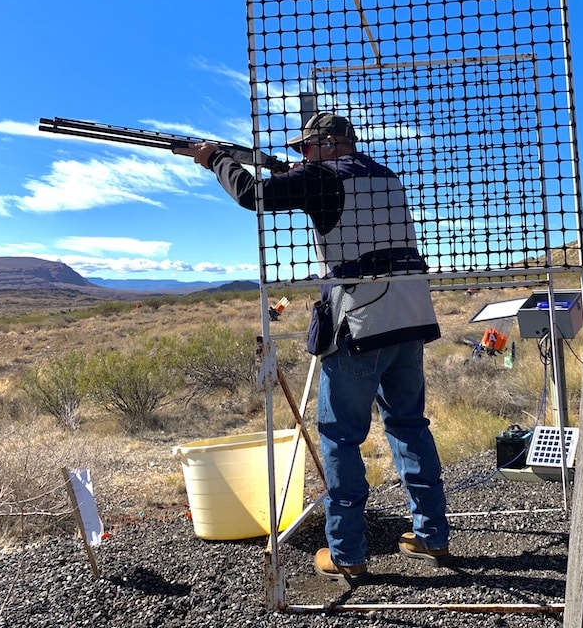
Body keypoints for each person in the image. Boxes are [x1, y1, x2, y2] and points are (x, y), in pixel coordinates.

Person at [174, 112, 450, 584]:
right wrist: (291, 172)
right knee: (409, 427)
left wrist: (215, 159)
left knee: (340, 438)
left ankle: (347, 552)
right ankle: (432, 535)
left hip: (361, 324)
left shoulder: (322, 176)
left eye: (306, 148)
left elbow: (251, 195)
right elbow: (342, 207)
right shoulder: (385, 177)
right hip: (411, 318)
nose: (301, 156)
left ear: (325, 144)